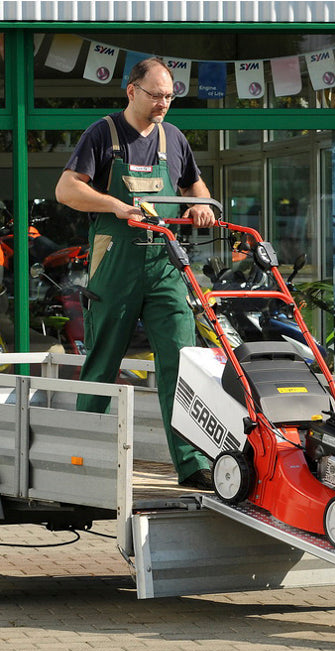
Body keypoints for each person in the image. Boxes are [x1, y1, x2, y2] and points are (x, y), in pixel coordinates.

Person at [55, 56, 215, 490]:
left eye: (169, 96)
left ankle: (192, 463)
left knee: (181, 365)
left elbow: (193, 185)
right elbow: (66, 188)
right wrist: (115, 205)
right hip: (117, 262)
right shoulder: (102, 134)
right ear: (132, 91)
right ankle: (81, 461)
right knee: (103, 360)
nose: (163, 103)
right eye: (156, 94)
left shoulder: (174, 138)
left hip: (165, 265)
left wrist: (200, 202)